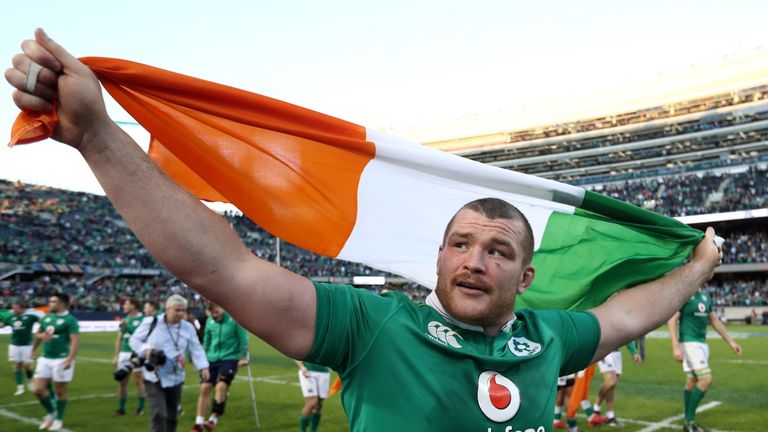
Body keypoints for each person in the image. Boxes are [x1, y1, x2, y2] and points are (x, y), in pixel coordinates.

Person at [7, 30, 723, 431]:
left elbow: (628, 312)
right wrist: (97, 134)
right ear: (438, 258)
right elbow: (227, 271)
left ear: (524, 277)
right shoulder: (376, 327)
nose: (476, 261)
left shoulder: (546, 338)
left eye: (498, 251)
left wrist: (699, 264)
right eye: (462, 245)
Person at [130, 294, 210, 432]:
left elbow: (196, 348)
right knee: (160, 414)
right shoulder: (152, 322)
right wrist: (146, 350)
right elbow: (134, 341)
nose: (180, 313)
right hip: (154, 376)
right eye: (177, 310)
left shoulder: (188, 327)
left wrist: (203, 367)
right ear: (167, 309)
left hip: (176, 377)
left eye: (183, 310)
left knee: (172, 416)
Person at [668, 290, 742, 432]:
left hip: (701, 343)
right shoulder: (684, 294)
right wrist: (675, 347)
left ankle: (688, 422)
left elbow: (714, 320)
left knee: (692, 380)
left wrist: (730, 342)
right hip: (689, 343)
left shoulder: (704, 296)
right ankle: (690, 422)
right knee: (706, 379)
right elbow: (672, 320)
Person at [191, 303, 248, 432]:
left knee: (221, 386)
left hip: (229, 358)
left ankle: (212, 419)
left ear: (222, 309)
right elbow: (207, 340)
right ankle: (198, 423)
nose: (215, 315)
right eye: (213, 313)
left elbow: (243, 338)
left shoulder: (234, 320)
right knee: (205, 388)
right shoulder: (210, 321)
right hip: (211, 359)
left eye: (217, 312)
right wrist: (203, 357)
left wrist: (244, 356)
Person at [31, 292, 79, 431]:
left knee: (60, 392)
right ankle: (52, 413)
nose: (50, 304)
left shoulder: (70, 320)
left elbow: (75, 340)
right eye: (50, 301)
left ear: (62, 304)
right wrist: (34, 348)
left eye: (53, 302)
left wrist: (70, 358)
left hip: (62, 359)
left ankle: (58, 419)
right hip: (45, 358)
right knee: (37, 389)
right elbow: (38, 334)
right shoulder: (46, 318)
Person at [589, 341, 643, 427]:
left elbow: (625, 334)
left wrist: (634, 351)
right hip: (604, 352)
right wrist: (599, 350)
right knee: (611, 382)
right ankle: (596, 410)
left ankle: (610, 417)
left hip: (617, 352)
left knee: (612, 386)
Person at [112, 297, 147, 416]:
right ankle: (121, 409)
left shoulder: (143, 320)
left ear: (133, 305)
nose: (124, 307)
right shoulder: (125, 319)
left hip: (137, 353)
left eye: (126, 304)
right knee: (122, 381)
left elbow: (140, 337)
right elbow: (119, 339)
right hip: (124, 353)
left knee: (139, 381)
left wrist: (127, 327)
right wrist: (116, 356)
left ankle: (141, 408)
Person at [0, 300, 39, 396]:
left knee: (28, 366)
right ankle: (20, 387)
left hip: (27, 345)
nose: (14, 309)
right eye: (13, 307)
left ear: (22, 308)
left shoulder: (31, 317)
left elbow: (43, 322)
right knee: (16, 366)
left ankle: (29, 381)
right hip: (14, 345)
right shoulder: (10, 317)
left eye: (16, 307)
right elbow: (1, 325)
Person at [294, 360, 330, 432]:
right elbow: (296, 353)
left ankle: (314, 429)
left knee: (319, 404)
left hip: (324, 372)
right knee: (312, 402)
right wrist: (301, 367)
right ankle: (303, 430)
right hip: (308, 371)